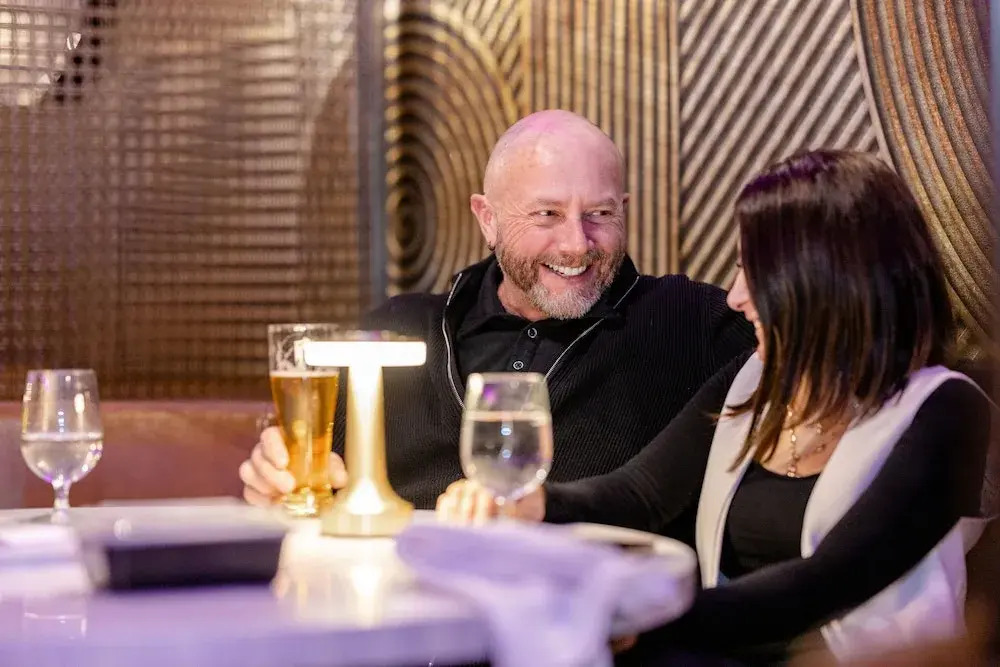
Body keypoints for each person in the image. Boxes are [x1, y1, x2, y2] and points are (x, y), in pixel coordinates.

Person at [437, 149, 992, 663]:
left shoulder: (946, 411)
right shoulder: (753, 378)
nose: (734, 296)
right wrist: (530, 504)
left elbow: (821, 584)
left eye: (754, 271)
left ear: (825, 278)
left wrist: (647, 618)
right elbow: (642, 493)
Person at [240, 109, 755, 511]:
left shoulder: (693, 323)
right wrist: (274, 475)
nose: (577, 244)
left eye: (599, 214)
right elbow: (308, 472)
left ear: (623, 210)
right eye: (547, 214)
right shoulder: (394, 330)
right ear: (487, 219)